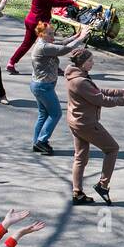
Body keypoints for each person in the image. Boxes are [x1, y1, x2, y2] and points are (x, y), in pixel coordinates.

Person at [64, 47, 124, 205]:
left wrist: (117, 92)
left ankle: (77, 194)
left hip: (76, 120)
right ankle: (103, 185)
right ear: (82, 63)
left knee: (80, 157)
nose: (93, 63)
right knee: (112, 149)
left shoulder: (77, 75)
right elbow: (101, 99)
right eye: (90, 61)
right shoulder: (80, 81)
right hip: (86, 123)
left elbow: (96, 90)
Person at [30, 21, 89, 154]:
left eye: (53, 32)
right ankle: (42, 141)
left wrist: (76, 36)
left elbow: (61, 44)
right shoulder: (43, 47)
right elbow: (64, 50)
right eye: (49, 33)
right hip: (43, 87)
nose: (53, 35)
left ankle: (37, 142)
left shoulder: (45, 44)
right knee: (56, 113)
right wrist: (81, 39)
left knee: (43, 114)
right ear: (41, 34)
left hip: (40, 85)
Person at [6, 0, 78, 74]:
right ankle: (55, 68)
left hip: (30, 21)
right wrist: (71, 1)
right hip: (39, 24)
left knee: (26, 44)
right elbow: (54, 2)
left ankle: (11, 63)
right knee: (49, 45)